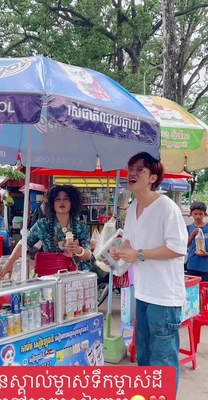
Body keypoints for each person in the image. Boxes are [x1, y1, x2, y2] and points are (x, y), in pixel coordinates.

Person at [110, 151, 188, 393]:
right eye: (130, 168)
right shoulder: (133, 207)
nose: (131, 173)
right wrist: (117, 253)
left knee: (162, 360)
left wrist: (139, 254)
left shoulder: (167, 207)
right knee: (144, 355)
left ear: (153, 177)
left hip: (164, 298)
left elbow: (177, 248)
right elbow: (129, 244)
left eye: (139, 169)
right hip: (142, 293)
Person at [0, 184, 92, 281]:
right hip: (50, 277)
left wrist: (78, 250)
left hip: (75, 277)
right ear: (52, 203)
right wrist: (10, 261)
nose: (61, 202)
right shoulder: (42, 225)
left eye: (66, 199)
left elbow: (88, 255)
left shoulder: (81, 227)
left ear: (72, 202)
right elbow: (24, 242)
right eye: (57, 199)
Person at [186, 201, 208, 281]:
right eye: (195, 214)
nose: (198, 216)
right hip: (192, 265)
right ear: (191, 214)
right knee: (192, 290)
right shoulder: (188, 228)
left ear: (205, 214)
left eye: (200, 214)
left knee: (205, 290)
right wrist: (192, 234)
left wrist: (206, 254)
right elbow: (184, 246)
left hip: (206, 267)